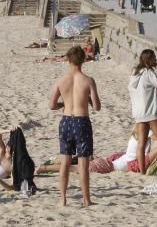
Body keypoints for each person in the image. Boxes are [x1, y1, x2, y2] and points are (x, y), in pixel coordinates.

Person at [48, 46, 101, 207]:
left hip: (66, 121)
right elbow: (97, 106)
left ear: (68, 60)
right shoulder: (88, 80)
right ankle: (86, 199)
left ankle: (62, 198)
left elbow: (51, 105)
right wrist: (88, 101)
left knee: (65, 161)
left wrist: (64, 104)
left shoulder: (61, 81)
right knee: (83, 164)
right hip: (82, 121)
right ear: (84, 60)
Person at [128, 49, 157, 175]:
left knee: (141, 143)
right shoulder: (149, 73)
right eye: (154, 58)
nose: (156, 60)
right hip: (151, 112)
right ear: (150, 59)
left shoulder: (134, 73)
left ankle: (142, 171)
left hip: (138, 113)